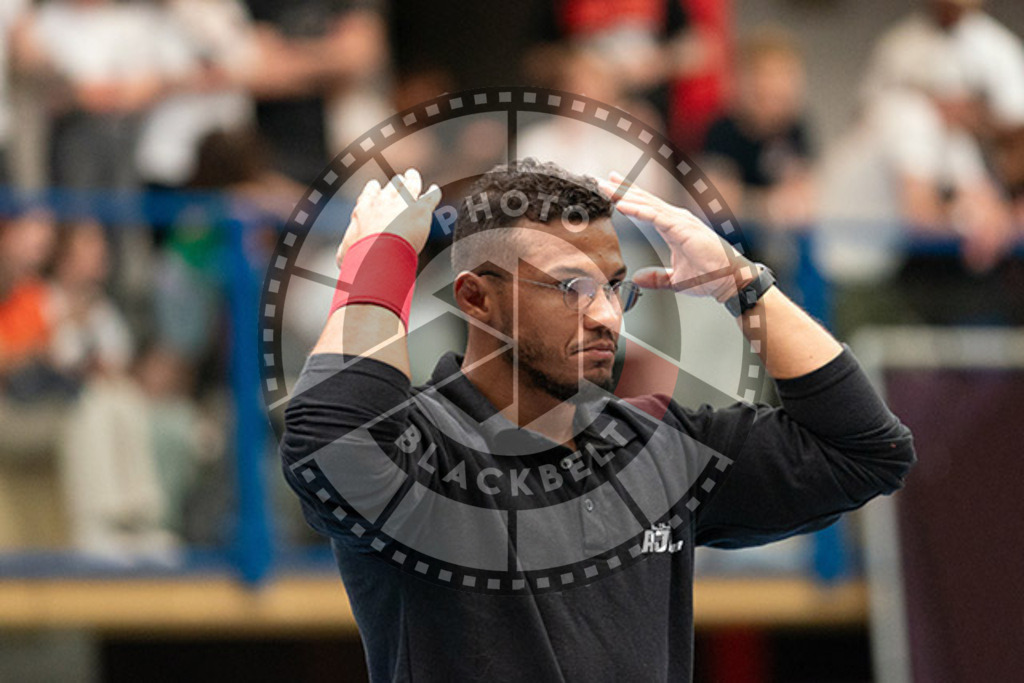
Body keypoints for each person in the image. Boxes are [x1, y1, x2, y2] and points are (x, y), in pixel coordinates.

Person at [279, 160, 915, 681]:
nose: (609, 316)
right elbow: (328, 440)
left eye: (615, 287)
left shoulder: (662, 448)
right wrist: (379, 263)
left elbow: (863, 450)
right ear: (476, 298)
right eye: (571, 288)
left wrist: (742, 284)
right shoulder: (422, 451)